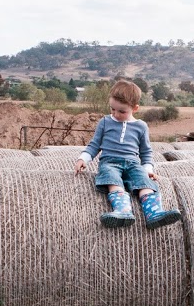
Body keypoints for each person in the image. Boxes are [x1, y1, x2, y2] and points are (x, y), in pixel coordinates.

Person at [75, 80, 181, 229]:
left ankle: (154, 214)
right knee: (112, 179)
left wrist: (148, 169)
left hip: (133, 163)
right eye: (112, 109)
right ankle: (123, 212)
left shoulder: (141, 126)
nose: (116, 114)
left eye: (122, 111)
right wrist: (83, 158)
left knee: (145, 182)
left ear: (135, 108)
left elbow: (145, 151)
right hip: (109, 162)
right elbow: (94, 144)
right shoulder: (105, 122)